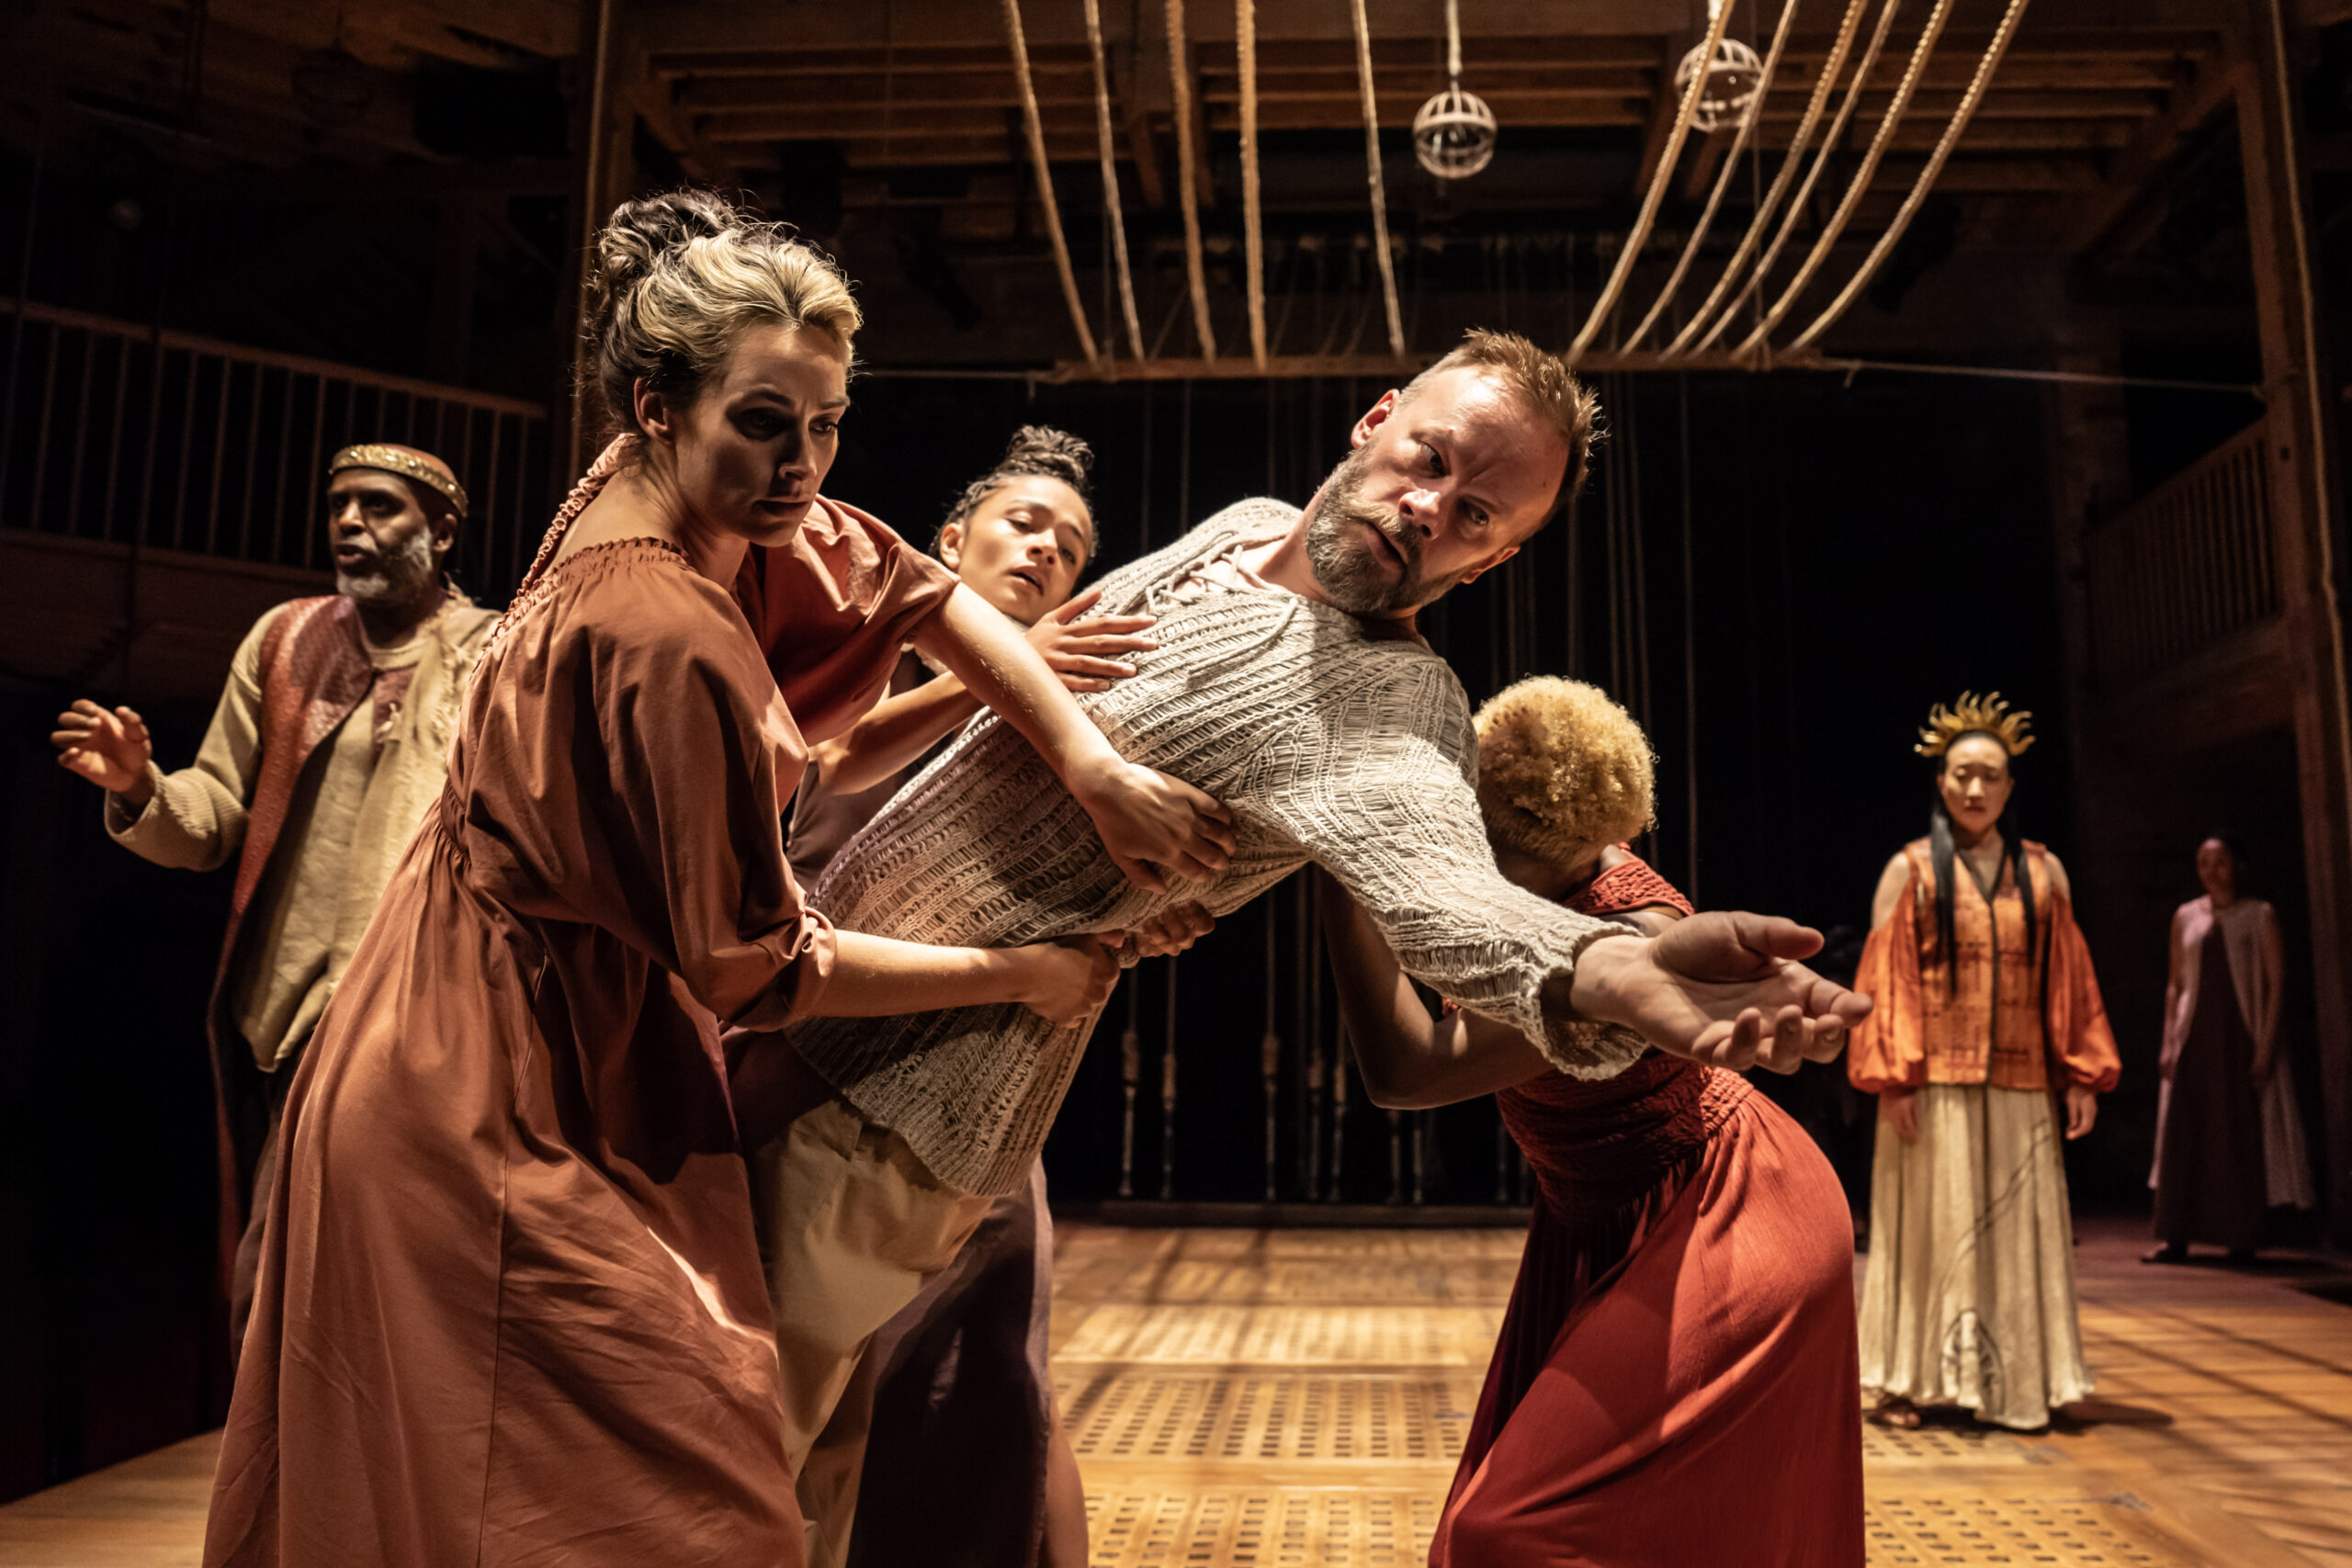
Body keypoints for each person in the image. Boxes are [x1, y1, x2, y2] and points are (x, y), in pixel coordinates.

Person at [201, 189, 1233, 1568]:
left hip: (462, 1012)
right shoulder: (664, 621)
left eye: (827, 423)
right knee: (678, 1494)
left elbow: (922, 593)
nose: (805, 463)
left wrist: (1088, 759)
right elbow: (757, 964)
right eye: (767, 421)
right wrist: (1022, 974)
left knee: (523, 1492)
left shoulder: (687, 502)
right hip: (488, 1073)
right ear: (656, 402)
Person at [736, 328, 1871, 1563]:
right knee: (800, 1472)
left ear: (1495, 559)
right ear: (1376, 419)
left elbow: (1451, 898)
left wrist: (1602, 963)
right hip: (808, 1005)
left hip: (896, 1106)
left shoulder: (1392, 708)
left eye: (1477, 512)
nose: (1428, 507)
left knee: (725, 1459)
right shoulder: (1241, 524)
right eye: (1429, 457)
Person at [1314, 676, 1863, 1568]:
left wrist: (1344, 865)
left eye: (1487, 853)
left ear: (1583, 849)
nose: (1467, 871)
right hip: (1602, 1213)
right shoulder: (1545, 877)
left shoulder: (1625, 931)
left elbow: (1404, 1068)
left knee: (1512, 1531)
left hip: (1723, 1216)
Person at [787, 426, 1159, 1568]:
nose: (1049, 547)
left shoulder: (1061, 725)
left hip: (978, 1085)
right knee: (805, 1405)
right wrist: (995, 674)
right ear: (949, 542)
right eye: (1025, 522)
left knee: (986, 1387)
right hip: (811, 1062)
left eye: (1074, 543)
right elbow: (816, 769)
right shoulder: (853, 668)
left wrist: (1152, 919)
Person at [50, 442, 497, 1348]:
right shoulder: (288, 640)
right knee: (273, 1292)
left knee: (395, 1292)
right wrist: (141, 787)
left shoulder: (494, 651)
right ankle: (278, 1483)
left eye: (379, 508)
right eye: (339, 506)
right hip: (282, 1027)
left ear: (442, 530)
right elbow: (213, 820)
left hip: (413, 1026)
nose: (348, 524)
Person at [1849, 693, 2121, 1431]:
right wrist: (1896, 1076)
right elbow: (1884, 984)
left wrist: (2081, 1072)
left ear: (2009, 787)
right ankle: (1908, 1376)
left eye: (1990, 776)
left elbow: (2068, 981)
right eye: (1962, 774)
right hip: (1932, 1083)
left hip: (2023, 1081)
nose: (1974, 788)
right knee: (1930, 1228)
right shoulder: (1909, 872)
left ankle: (2022, 1380)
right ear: (1941, 782)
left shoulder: (2044, 873)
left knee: (2016, 1232)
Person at [2146, 834, 2311, 1263]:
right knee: (2186, 1131)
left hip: (2239, 1036)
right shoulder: (2186, 917)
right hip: (2194, 1037)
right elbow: (2176, 983)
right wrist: (2168, 1042)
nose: (2212, 870)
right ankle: (2175, 1236)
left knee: (2237, 1134)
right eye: (2204, 862)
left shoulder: (2258, 916)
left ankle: (2241, 1237)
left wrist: (2266, 1047)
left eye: (2220, 861)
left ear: (2237, 865)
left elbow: (2276, 984)